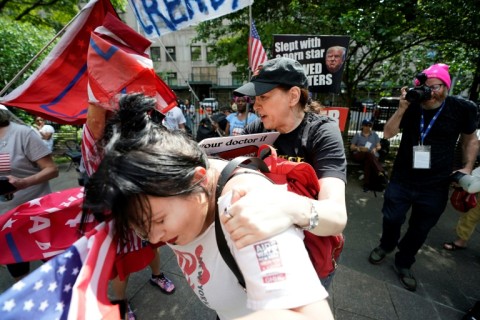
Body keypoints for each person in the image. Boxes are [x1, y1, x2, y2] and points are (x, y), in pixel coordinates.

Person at [82, 93, 334, 320]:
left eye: (158, 221)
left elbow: (312, 315)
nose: (154, 237)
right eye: (140, 229)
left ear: (198, 180)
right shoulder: (169, 191)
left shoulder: (244, 206)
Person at [232, 57, 347, 288]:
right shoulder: (255, 130)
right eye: (255, 99)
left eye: (263, 97)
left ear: (293, 96)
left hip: (309, 258)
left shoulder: (322, 133)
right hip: (263, 250)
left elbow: (336, 217)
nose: (256, 106)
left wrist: (284, 206)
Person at [368, 63, 479, 292]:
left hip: (435, 184)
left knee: (420, 229)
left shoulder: (461, 108)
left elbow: (470, 140)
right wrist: (401, 108)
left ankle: (404, 261)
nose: (431, 93)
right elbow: (388, 134)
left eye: (436, 87)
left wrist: (468, 166)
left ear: (446, 87)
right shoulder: (412, 105)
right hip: (403, 177)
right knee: (392, 218)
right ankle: (386, 245)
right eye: (427, 87)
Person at [0, 105, 59, 281]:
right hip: (5, 220)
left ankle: (72, 300)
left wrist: (23, 183)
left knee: (54, 262)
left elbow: (52, 169)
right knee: (17, 267)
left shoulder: (22, 134)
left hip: (34, 215)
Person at [350, 118, 387, 192]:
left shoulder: (375, 135)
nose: (368, 127)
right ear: (362, 126)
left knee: (368, 161)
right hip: (360, 154)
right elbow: (351, 147)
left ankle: (366, 185)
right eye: (366, 125)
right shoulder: (358, 135)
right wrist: (359, 148)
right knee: (367, 153)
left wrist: (375, 149)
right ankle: (380, 171)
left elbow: (379, 146)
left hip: (371, 156)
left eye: (370, 125)